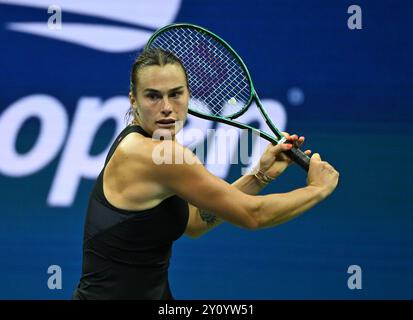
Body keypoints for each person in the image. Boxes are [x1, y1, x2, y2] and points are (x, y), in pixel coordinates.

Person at [72, 48, 339, 300]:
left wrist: (259, 175)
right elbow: (253, 215)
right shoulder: (153, 155)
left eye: (176, 94)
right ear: (134, 99)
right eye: (153, 96)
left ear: (189, 95)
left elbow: (197, 221)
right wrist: (316, 189)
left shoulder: (152, 143)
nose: (166, 106)